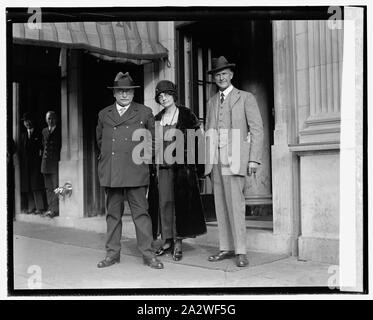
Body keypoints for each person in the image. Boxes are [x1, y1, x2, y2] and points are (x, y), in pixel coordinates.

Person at [96, 72, 163, 269]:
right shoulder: (104, 114)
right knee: (113, 215)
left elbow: (152, 142)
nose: (124, 94)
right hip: (112, 171)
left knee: (141, 215)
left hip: (136, 171)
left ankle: (148, 255)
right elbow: (100, 142)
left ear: (133, 94)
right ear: (114, 93)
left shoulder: (145, 112)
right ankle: (112, 254)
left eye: (128, 91)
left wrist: (143, 161)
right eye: (120, 91)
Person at [204, 56, 264, 267]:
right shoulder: (211, 102)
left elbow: (256, 129)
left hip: (237, 157)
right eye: (217, 75)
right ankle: (226, 247)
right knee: (220, 204)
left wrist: (254, 159)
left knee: (236, 204)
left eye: (224, 74)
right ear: (214, 78)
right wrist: (207, 163)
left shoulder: (245, 97)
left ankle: (241, 251)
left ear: (231, 75)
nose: (221, 77)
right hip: (217, 160)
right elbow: (208, 131)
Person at [149, 80, 207, 261]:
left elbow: (198, 141)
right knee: (164, 203)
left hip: (182, 169)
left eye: (166, 94)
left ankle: (178, 241)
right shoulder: (157, 119)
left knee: (179, 204)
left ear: (173, 95)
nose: (163, 98)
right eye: (160, 96)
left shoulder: (186, 114)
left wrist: (198, 168)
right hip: (163, 168)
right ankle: (167, 241)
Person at [19, 113, 46, 215]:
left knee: (36, 186)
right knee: (28, 187)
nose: (27, 123)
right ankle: (32, 207)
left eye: (29, 121)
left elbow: (42, 148)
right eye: (25, 121)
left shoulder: (39, 134)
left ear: (32, 121)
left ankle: (40, 207)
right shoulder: (23, 135)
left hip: (36, 164)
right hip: (26, 166)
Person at [41, 111, 61, 218]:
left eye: (53, 118)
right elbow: (43, 146)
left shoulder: (59, 130)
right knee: (48, 188)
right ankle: (50, 208)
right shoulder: (44, 131)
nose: (51, 120)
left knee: (55, 187)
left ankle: (55, 210)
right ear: (46, 120)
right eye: (49, 118)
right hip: (45, 164)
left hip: (54, 164)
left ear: (56, 119)